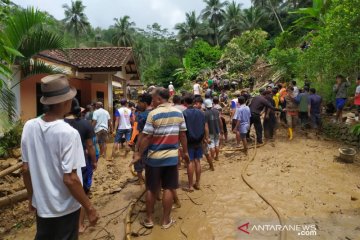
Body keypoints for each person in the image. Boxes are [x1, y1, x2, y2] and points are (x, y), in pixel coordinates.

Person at [21, 74, 99, 239]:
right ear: (66, 102)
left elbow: (25, 169)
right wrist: (89, 207)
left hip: (43, 207)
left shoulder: (29, 126)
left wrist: (32, 197)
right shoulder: (68, 133)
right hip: (65, 208)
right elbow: (70, 179)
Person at [131, 88, 189, 229]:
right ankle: (165, 220)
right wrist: (185, 152)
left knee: (151, 188)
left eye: (153, 99)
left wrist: (138, 153)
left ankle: (149, 220)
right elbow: (182, 135)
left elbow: (147, 137)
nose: (152, 101)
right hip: (171, 158)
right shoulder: (178, 113)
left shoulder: (153, 114)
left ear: (158, 99)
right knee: (168, 188)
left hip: (154, 158)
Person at [65, 98, 98, 233]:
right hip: (81, 162)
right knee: (82, 191)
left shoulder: (58, 124)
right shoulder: (85, 125)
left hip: (63, 164)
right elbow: (90, 145)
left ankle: (67, 224)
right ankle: (79, 225)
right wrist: (94, 160)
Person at [183, 95, 205, 192]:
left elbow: (183, 131)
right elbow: (204, 127)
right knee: (198, 161)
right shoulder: (201, 113)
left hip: (189, 140)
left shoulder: (184, 113)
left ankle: (190, 186)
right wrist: (204, 138)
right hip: (199, 140)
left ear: (185, 103)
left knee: (190, 162)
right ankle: (198, 183)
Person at [132, 93, 153, 184]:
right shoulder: (156, 113)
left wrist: (136, 148)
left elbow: (139, 134)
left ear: (144, 103)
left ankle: (141, 181)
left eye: (139, 102)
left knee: (139, 161)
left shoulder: (142, 115)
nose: (138, 105)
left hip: (144, 144)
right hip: (156, 144)